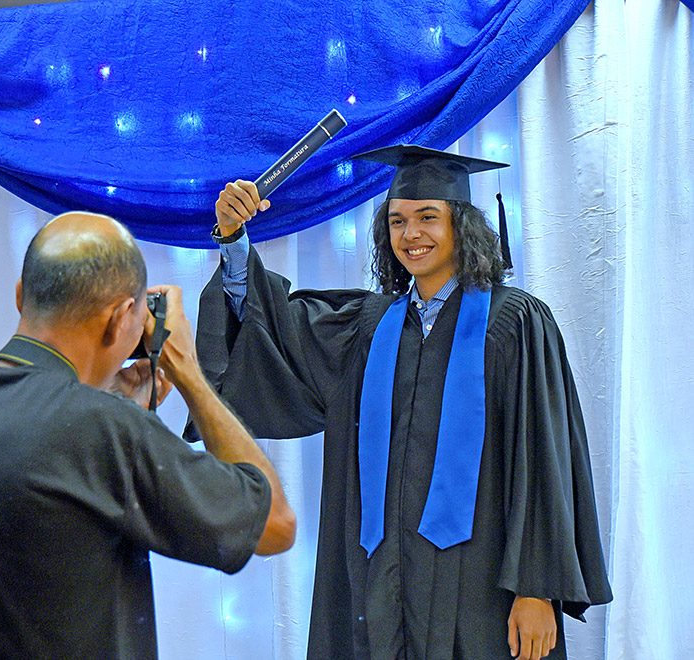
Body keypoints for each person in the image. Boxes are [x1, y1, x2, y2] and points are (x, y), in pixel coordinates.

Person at [193, 145, 612, 660]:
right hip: (379, 578)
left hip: (484, 589)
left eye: (427, 217)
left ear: (462, 225)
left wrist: (536, 588)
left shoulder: (514, 322)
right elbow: (276, 334)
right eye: (397, 221)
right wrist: (235, 241)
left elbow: (544, 460)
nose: (411, 234)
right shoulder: (370, 327)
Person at [0, 211, 296, 660]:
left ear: (21, 296)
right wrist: (188, 370)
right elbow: (275, 525)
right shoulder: (102, 431)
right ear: (122, 319)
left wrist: (110, 402)